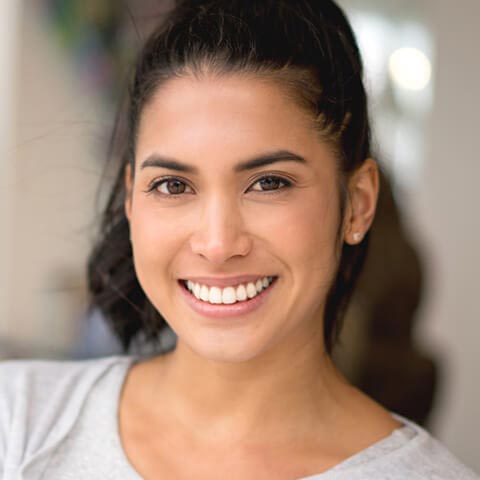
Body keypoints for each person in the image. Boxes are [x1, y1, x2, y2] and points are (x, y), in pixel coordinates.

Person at [0, 1, 478, 478]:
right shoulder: (16, 423)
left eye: (269, 183)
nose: (217, 243)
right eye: (173, 185)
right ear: (131, 199)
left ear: (357, 202)